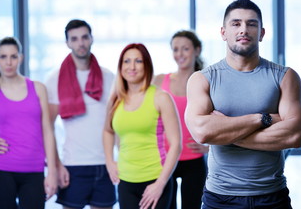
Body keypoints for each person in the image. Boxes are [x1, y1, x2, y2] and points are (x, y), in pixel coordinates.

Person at [185, 0, 301, 209]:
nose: (244, 29)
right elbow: (203, 133)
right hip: (220, 198)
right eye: (236, 23)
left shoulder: (285, 77)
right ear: (223, 33)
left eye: (251, 24)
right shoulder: (203, 79)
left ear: (261, 33)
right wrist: (262, 119)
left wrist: (225, 132)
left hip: (272, 195)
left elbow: (295, 135)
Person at [0, 37, 57, 209]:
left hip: (34, 173)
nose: (8, 62)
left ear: (20, 58)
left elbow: (47, 130)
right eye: (3, 57)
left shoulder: (38, 88)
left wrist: (52, 172)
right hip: (1, 173)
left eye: (13, 56)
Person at [45, 19, 116, 209]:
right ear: (67, 43)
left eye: (84, 37)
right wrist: (57, 165)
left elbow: (116, 124)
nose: (80, 43)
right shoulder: (54, 79)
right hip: (72, 165)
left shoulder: (109, 76)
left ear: (91, 39)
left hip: (105, 163)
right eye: (74, 39)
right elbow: (48, 128)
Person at [103, 43, 182, 209]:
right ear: (120, 66)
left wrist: (160, 184)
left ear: (146, 65)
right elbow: (107, 131)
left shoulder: (161, 97)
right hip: (126, 181)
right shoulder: (116, 99)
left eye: (138, 61)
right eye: (126, 61)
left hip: (155, 180)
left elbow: (176, 144)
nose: (132, 66)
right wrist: (109, 161)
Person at [152, 30, 208, 209]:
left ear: (197, 50)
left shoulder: (206, 82)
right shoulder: (160, 81)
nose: (180, 54)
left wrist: (210, 147)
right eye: (175, 49)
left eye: (185, 49)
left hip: (194, 159)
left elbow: (220, 119)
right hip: (166, 160)